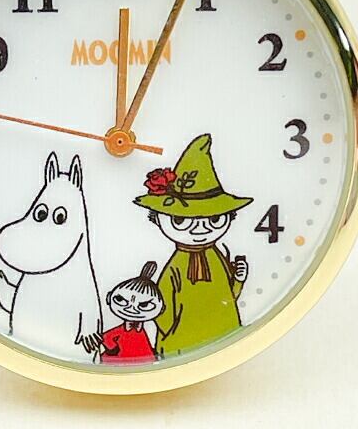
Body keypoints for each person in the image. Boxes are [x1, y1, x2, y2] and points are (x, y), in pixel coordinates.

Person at [134, 134, 254, 358]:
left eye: (214, 219)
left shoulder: (217, 256)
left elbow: (227, 294)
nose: (200, 229)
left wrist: (238, 279)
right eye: (180, 220)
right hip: (179, 339)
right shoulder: (176, 266)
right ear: (157, 218)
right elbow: (163, 307)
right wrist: (169, 330)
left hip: (223, 332)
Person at [101, 262, 165, 364]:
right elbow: (106, 337)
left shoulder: (149, 329)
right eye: (120, 300)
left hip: (145, 358)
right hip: (121, 359)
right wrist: (113, 349)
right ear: (109, 297)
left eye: (144, 305)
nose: (131, 309)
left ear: (161, 309)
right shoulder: (120, 330)